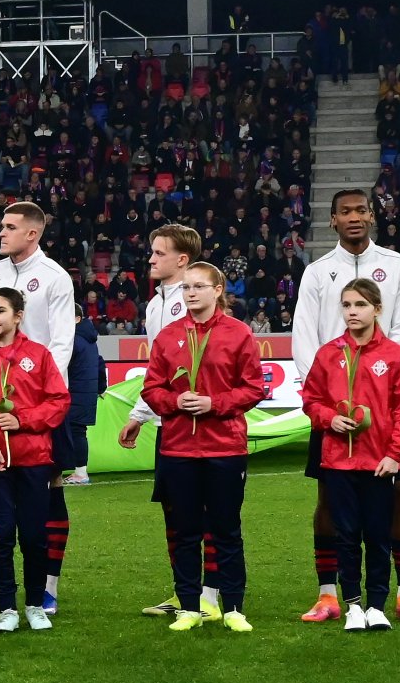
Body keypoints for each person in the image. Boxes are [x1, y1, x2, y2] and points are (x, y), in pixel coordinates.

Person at [290, 190, 400, 623]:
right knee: (329, 496)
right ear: (332, 220)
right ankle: (329, 594)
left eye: (361, 210)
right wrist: (330, 403)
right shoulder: (317, 272)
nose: (354, 217)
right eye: (345, 211)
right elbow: (305, 337)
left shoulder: (398, 265)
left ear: (372, 215)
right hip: (333, 406)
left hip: (384, 403)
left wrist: (378, 386)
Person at [0, 202, 75, 617]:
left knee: (48, 497)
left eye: (9, 227)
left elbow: (62, 344)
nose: (0, 233)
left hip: (39, 404)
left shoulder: (56, 277)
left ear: (32, 233)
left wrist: (36, 401)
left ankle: (47, 590)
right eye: (0, 226)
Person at [140, 265, 266, 633]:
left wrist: (215, 404)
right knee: (184, 531)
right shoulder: (168, 336)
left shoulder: (238, 334)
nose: (191, 293)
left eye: (199, 287)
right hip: (179, 449)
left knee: (226, 529)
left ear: (217, 290)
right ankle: (189, 609)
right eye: (187, 287)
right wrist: (175, 402)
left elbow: (254, 388)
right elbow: (151, 388)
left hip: (224, 447)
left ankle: (234, 609)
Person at [300, 279, 400, 632]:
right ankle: (352, 606)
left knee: (378, 536)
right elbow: (311, 400)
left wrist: (395, 454)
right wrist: (328, 419)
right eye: (347, 305)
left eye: (360, 305)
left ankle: (377, 606)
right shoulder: (328, 354)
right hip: (337, 461)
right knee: (347, 535)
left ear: (377, 309)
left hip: (379, 462)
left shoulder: (394, 355)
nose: (352, 312)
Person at [122, 224, 224, 618]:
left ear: (182, 260)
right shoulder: (155, 305)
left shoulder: (196, 304)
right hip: (171, 427)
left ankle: (211, 597)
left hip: (204, 428)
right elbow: (159, 371)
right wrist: (140, 415)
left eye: (159, 253)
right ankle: (187, 593)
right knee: (176, 511)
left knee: (208, 513)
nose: (150, 259)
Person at [64, 311, 103, 486]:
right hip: (85, 392)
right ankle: (79, 471)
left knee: (76, 432)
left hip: (74, 392)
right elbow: (100, 363)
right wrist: (101, 387)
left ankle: (80, 473)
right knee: (78, 431)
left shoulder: (73, 340)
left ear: (77, 318)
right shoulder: (89, 340)